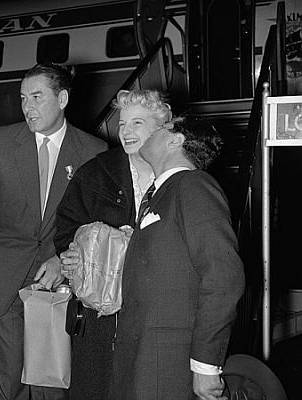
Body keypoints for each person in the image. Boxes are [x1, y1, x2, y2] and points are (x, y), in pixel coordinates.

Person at [0, 63, 107, 400]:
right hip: (2, 278)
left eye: (37, 97)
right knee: (8, 383)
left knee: (49, 382)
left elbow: (93, 225)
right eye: (24, 98)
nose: (28, 107)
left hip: (54, 282)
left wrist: (61, 259)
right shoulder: (0, 142)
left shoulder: (93, 151)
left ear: (63, 98)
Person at [109, 116, 245, 400]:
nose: (150, 133)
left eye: (160, 128)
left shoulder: (193, 185)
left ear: (175, 140)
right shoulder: (161, 194)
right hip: (142, 354)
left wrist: (206, 363)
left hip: (168, 358)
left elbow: (223, 275)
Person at [55, 89, 172, 400]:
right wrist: (70, 253)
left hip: (155, 312)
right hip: (100, 317)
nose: (126, 132)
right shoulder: (98, 171)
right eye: (122, 124)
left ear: (160, 128)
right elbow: (67, 226)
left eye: (137, 123)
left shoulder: (178, 176)